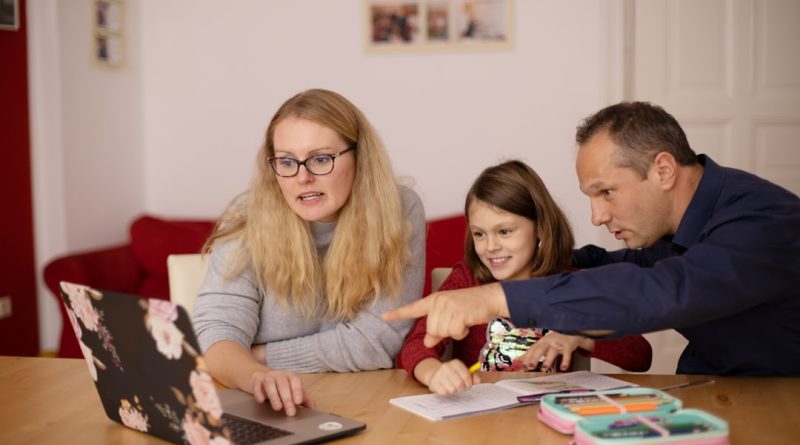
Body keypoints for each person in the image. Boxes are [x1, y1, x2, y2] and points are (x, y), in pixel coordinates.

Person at [385, 101, 800, 376]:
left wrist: (497, 297)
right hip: (710, 390)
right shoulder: (667, 232)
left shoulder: (764, 222)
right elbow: (610, 265)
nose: (597, 216)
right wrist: (539, 260)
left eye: (607, 192)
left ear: (663, 170)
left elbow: (665, 289)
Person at [192, 88, 426, 416]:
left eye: (320, 159)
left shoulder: (399, 210)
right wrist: (256, 375)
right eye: (287, 161)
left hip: (366, 403)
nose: (303, 177)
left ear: (360, 157)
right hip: (260, 403)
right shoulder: (247, 216)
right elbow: (215, 336)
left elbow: (378, 342)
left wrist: (257, 356)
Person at [397, 161, 651, 395]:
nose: (491, 246)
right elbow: (415, 346)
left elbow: (640, 355)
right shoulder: (466, 280)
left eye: (504, 231)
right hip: (479, 418)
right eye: (479, 234)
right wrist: (434, 373)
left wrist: (582, 334)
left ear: (539, 228)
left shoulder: (569, 285)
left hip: (547, 414)